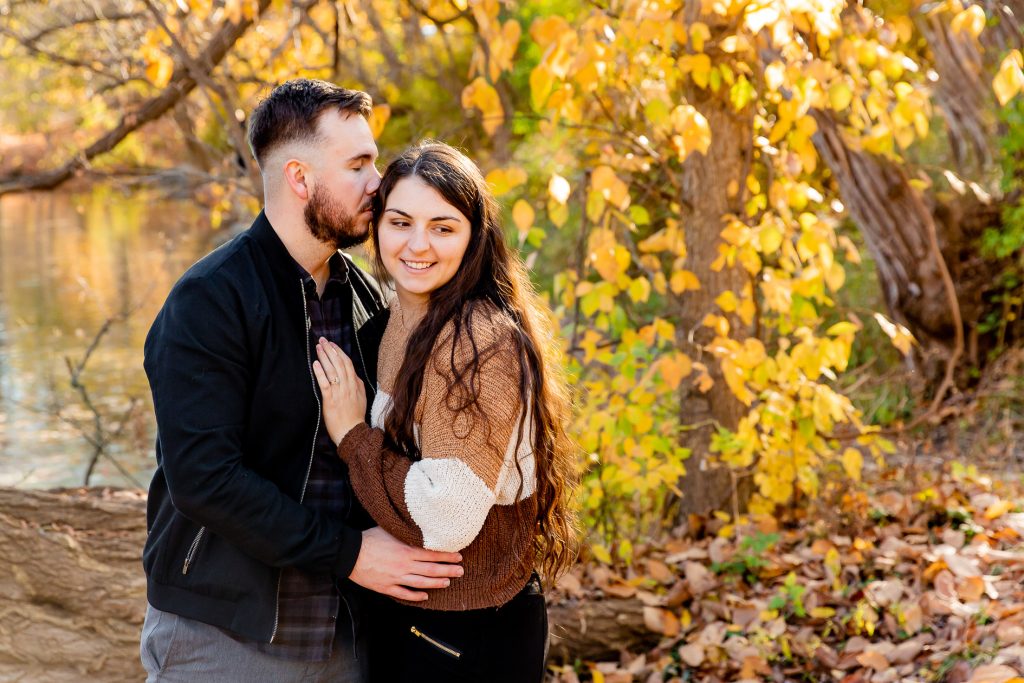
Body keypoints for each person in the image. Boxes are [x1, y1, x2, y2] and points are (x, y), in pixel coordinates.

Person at [139, 80, 464, 682]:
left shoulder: (366, 295)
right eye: (358, 164)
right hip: (225, 636)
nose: (379, 182)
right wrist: (353, 554)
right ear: (299, 177)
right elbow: (204, 478)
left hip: (346, 632)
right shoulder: (210, 300)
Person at [311, 142, 579, 682]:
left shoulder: (475, 340)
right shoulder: (399, 321)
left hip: (466, 634)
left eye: (443, 227)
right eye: (401, 221)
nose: (417, 245)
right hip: (419, 621)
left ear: (473, 237)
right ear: (376, 226)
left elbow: (447, 518)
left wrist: (353, 436)